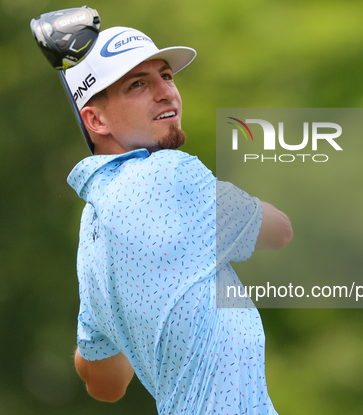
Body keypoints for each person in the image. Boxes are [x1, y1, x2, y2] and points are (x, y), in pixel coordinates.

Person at [64, 25, 293, 414]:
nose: (166, 91)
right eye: (138, 84)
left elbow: (107, 383)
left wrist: (98, 335)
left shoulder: (93, 230)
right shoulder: (170, 173)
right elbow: (279, 230)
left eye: (166, 76)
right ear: (96, 121)